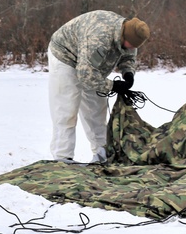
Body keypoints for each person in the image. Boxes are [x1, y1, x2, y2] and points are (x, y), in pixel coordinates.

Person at [47, 10, 150, 164]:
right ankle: (63, 158)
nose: (131, 48)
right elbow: (85, 76)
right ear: (123, 36)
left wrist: (128, 73)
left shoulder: (130, 34)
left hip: (91, 64)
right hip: (65, 56)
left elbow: (128, 54)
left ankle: (102, 153)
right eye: (130, 45)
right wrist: (113, 86)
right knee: (66, 109)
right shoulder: (99, 37)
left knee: (96, 109)